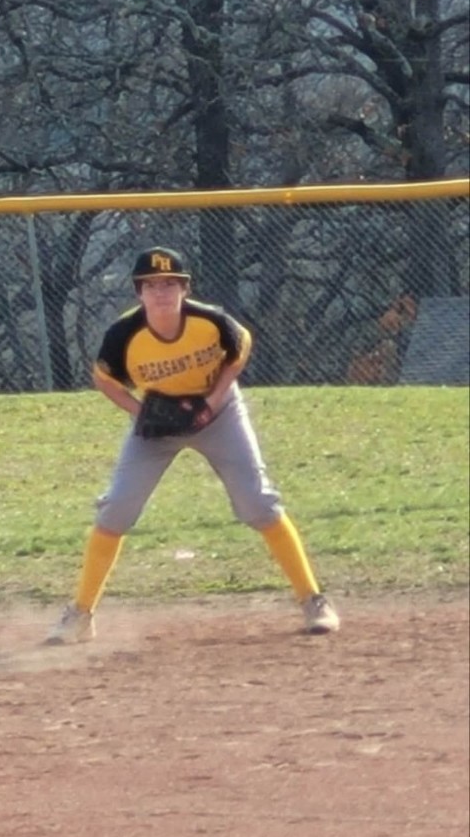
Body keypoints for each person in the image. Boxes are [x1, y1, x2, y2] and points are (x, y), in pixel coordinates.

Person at [45, 246, 339, 645]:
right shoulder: (123, 335)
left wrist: (214, 401)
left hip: (218, 417)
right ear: (139, 293)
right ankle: (80, 614)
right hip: (156, 426)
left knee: (258, 502)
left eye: (170, 284)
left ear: (185, 290)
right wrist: (138, 411)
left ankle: (313, 600)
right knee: (116, 509)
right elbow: (104, 379)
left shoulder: (211, 321)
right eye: (151, 285)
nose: (161, 292)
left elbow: (241, 349)